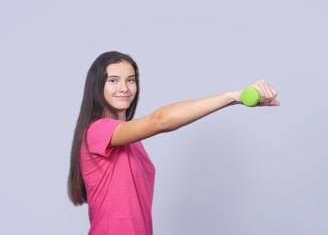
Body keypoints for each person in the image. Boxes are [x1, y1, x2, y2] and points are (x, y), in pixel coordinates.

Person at [67, 51, 280, 235]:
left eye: (130, 80)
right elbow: (161, 121)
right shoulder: (97, 131)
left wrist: (235, 101)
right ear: (98, 86)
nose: (124, 87)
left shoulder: (132, 141)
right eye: (113, 80)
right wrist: (233, 97)